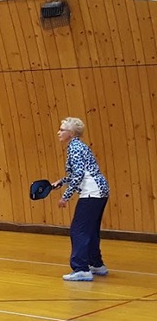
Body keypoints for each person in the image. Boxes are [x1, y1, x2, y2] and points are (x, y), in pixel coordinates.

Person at [52, 117, 109, 281]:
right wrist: (61, 182)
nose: (59, 132)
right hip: (100, 191)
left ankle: (81, 268)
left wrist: (65, 197)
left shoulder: (74, 148)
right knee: (90, 230)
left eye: (62, 129)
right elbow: (79, 173)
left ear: (71, 133)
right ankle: (96, 264)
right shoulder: (78, 146)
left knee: (79, 230)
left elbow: (79, 175)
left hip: (92, 192)